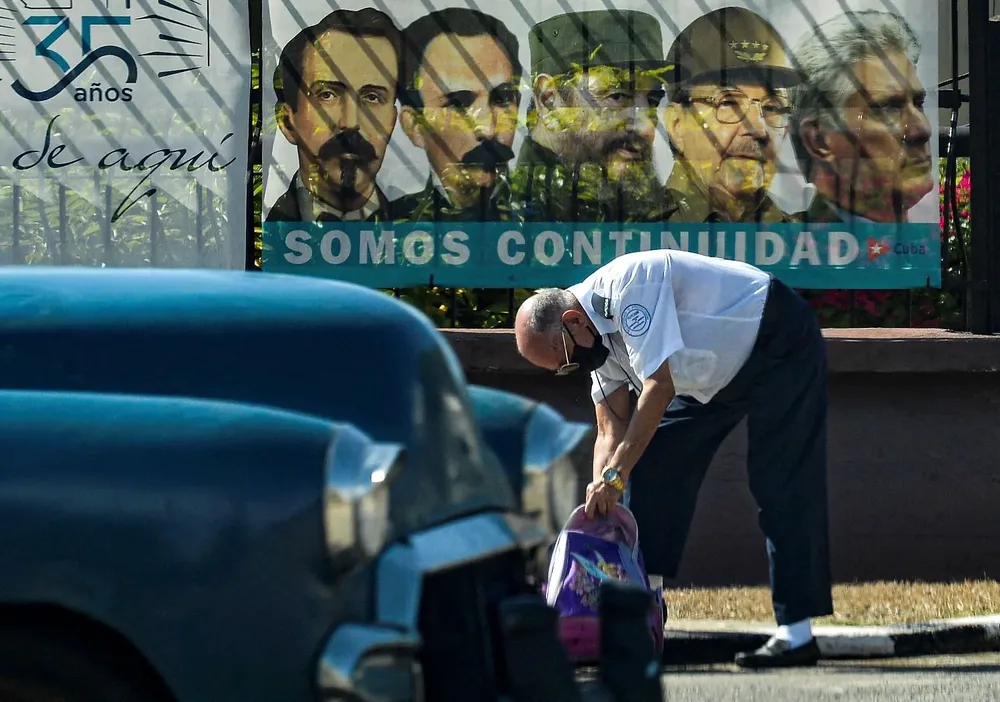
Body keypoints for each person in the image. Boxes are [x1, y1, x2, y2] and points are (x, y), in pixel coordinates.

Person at [513, 250, 833, 668]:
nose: (570, 369)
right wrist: (601, 499)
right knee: (649, 464)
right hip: (707, 376)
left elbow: (658, 388)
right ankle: (645, 608)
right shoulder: (592, 343)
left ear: (573, 322)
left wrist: (616, 474)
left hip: (777, 340)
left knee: (780, 483)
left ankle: (797, 634)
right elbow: (611, 430)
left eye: (565, 360)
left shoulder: (629, 286)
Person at [511, 9, 673, 223]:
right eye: (617, 96)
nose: (646, 129)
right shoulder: (503, 219)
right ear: (548, 99)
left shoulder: (648, 212)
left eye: (652, 102)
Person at [659, 7, 803, 223]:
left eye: (772, 108)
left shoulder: (810, 246)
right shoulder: (627, 236)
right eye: (729, 103)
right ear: (677, 124)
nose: (758, 128)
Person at [788, 11, 932, 224]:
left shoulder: (920, 250)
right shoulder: (788, 252)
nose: (922, 128)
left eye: (919, 103)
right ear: (818, 139)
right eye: (888, 108)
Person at [267, 8, 401, 223]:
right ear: (287, 121)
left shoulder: (424, 228)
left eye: (373, 97)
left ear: (393, 120)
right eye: (327, 95)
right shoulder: (260, 231)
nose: (350, 122)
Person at [393, 8, 522, 222]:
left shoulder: (559, 222)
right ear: (414, 125)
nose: (488, 129)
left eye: (502, 99)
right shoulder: (383, 230)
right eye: (458, 104)